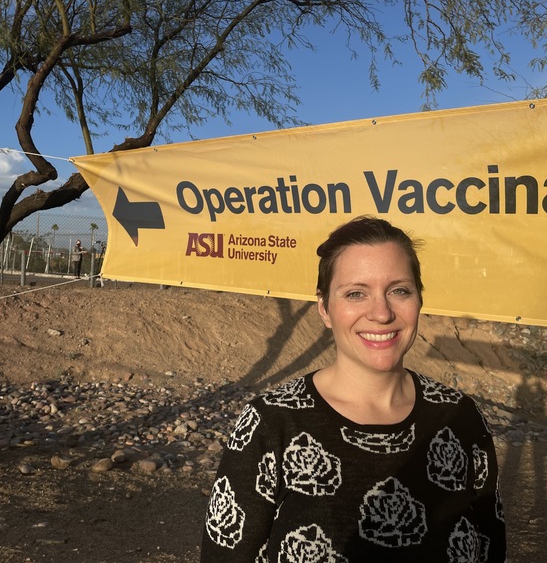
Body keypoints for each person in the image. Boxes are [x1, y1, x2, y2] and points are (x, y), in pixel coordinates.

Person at [201, 216, 506, 562]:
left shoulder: (461, 420)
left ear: (419, 299)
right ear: (325, 309)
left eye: (399, 290)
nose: (381, 313)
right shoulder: (271, 424)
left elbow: (491, 548)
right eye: (356, 293)